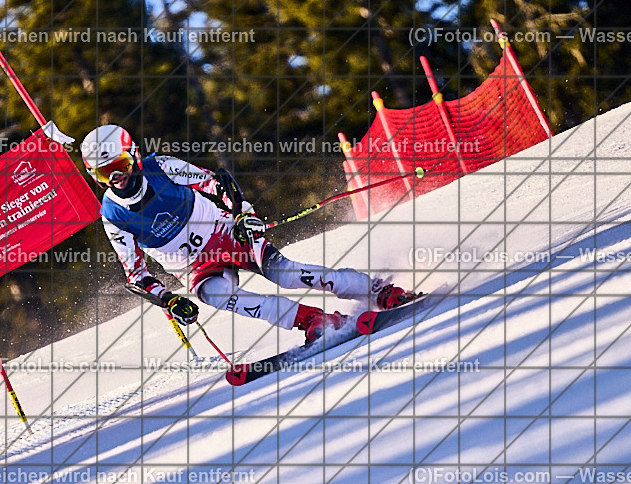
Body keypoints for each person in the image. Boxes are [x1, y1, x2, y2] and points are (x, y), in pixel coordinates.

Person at [81, 125, 417, 342]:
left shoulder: (161, 167)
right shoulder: (112, 216)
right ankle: (313, 320)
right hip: (194, 268)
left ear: (135, 156)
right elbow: (136, 275)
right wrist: (168, 299)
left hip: (227, 234)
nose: (116, 178)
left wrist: (243, 213)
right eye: (104, 173)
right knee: (219, 296)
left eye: (120, 166)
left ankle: (378, 291)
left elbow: (216, 182)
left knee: (286, 274)